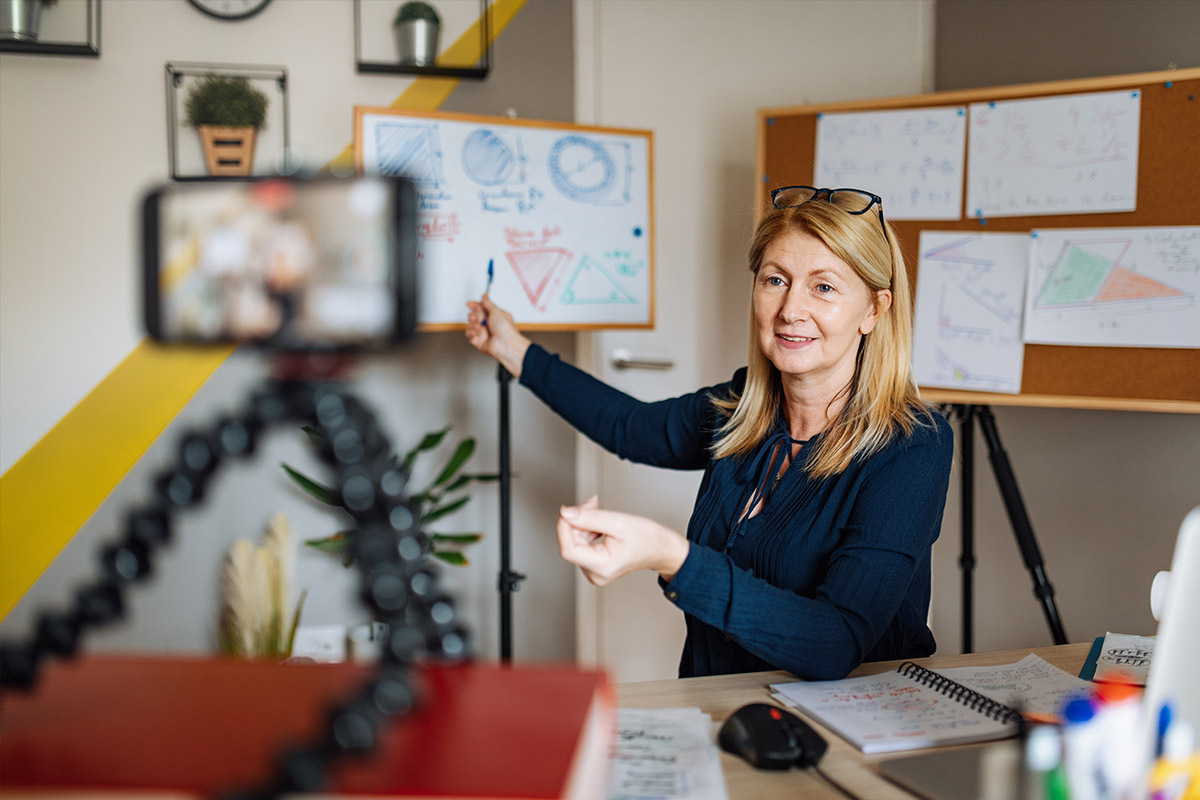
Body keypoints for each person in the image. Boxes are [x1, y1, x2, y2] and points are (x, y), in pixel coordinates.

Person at [464, 186, 953, 681]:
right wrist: (511, 349)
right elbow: (628, 427)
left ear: (874, 310)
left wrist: (670, 556)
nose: (790, 309)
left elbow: (835, 642)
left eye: (823, 287)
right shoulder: (741, 408)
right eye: (776, 280)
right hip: (722, 703)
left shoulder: (913, 444)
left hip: (850, 717)